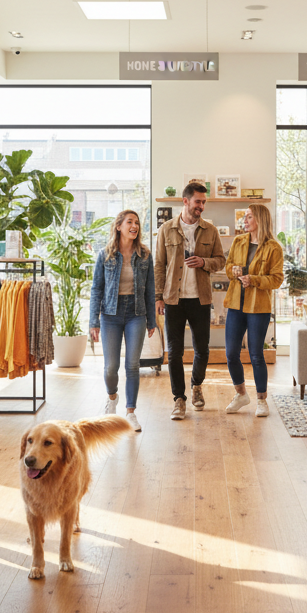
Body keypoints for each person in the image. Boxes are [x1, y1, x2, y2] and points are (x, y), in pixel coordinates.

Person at [154, 181, 226, 420]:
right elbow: (159, 266)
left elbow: (220, 260)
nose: (201, 207)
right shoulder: (166, 229)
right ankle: (179, 399)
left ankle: (196, 385)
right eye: (198, 202)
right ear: (185, 201)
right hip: (174, 299)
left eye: (204, 202)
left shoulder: (210, 230)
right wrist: (158, 297)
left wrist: (204, 262)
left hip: (200, 299)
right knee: (174, 352)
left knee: (202, 350)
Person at [89, 210, 157, 432]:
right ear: (119, 226)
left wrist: (151, 321)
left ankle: (131, 412)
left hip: (136, 314)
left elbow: (150, 290)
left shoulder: (145, 255)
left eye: (137, 222)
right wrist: (94, 321)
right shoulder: (105, 254)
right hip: (110, 314)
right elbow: (96, 289)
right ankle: (112, 398)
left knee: (132, 365)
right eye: (130, 222)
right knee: (111, 367)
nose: (134, 226)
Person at [222, 204, 284, 417]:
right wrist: (233, 271)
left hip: (258, 307)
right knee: (231, 353)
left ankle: (261, 400)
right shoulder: (238, 241)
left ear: (260, 219)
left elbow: (276, 279)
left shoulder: (274, 247)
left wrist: (254, 280)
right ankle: (241, 394)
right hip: (235, 304)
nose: (245, 220)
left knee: (256, 354)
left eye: (249, 217)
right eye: (245, 217)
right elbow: (228, 267)